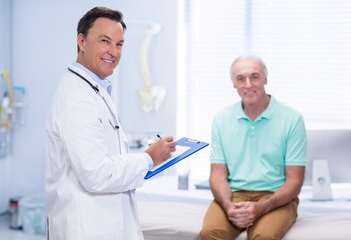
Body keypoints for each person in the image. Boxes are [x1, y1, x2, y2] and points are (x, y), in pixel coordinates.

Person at [45, 7, 177, 240]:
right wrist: (148, 158)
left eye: (119, 44)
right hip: (87, 228)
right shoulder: (77, 98)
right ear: (82, 41)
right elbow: (96, 174)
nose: (113, 52)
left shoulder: (94, 88)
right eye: (105, 41)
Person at [200, 54, 307, 240]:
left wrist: (263, 207)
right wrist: (227, 205)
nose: (248, 84)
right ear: (234, 83)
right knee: (210, 234)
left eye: (254, 76)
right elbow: (217, 174)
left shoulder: (292, 119)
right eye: (240, 78)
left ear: (265, 78)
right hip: (234, 195)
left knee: (263, 236)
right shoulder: (221, 120)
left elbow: (294, 181)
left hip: (275, 197)